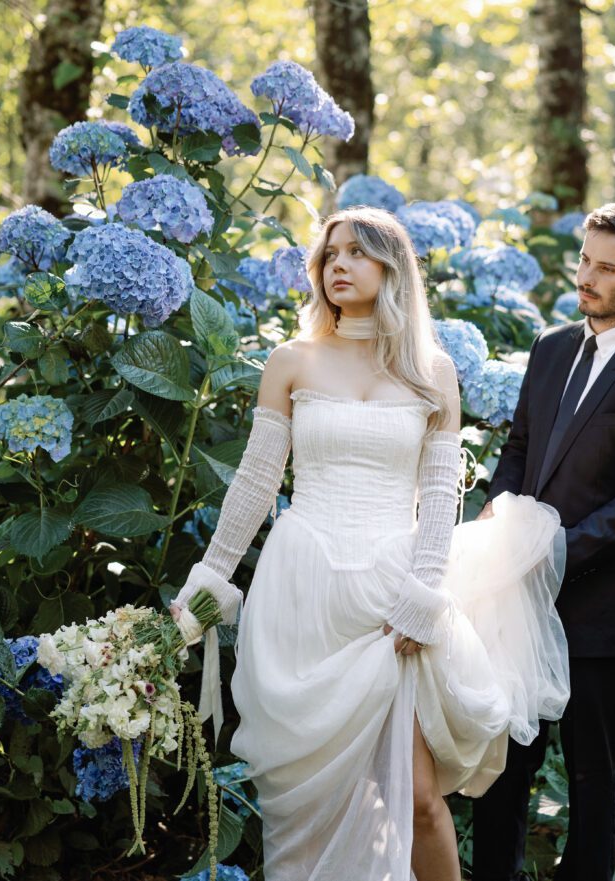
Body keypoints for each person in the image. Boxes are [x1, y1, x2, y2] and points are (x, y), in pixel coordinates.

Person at [170, 206, 570, 881]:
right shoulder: (291, 361)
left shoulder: (431, 371)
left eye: (357, 252)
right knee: (315, 796)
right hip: (304, 586)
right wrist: (209, 576)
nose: (339, 266)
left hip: (392, 593)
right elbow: (257, 481)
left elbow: (442, 493)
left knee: (415, 797)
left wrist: (426, 590)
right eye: (329, 255)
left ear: (393, 267)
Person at [472, 203, 615, 881]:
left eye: (607, 268)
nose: (588, 277)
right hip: (515, 599)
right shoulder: (548, 348)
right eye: (584, 260)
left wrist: (555, 550)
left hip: (601, 611)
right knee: (503, 764)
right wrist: (498, 523)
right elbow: (518, 452)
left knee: (591, 777)